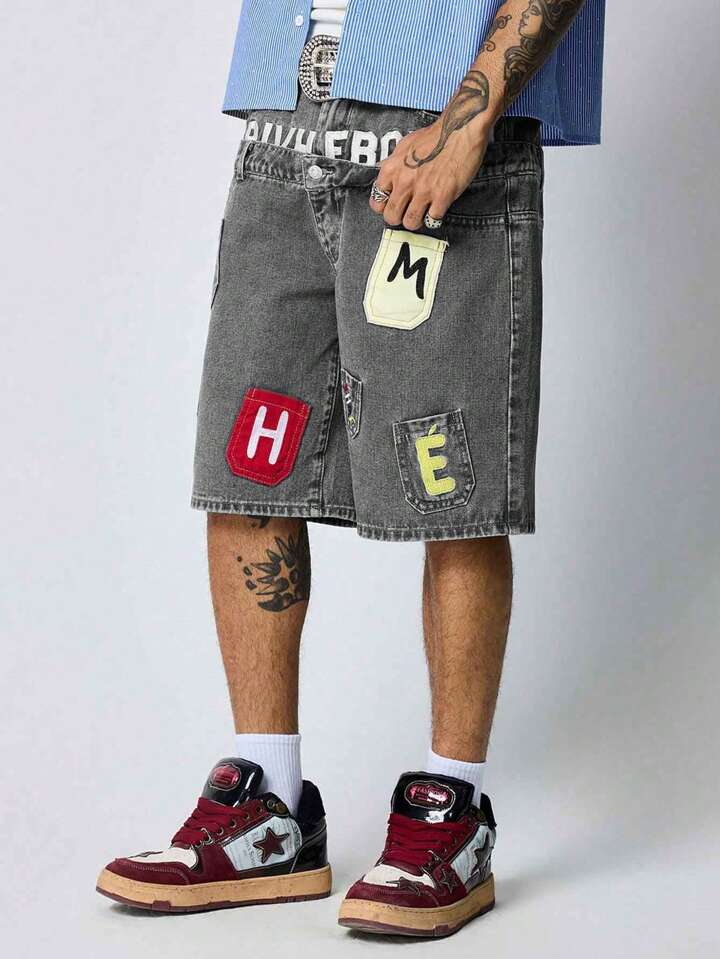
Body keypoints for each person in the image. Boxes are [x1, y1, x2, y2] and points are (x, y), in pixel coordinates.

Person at [96, 0, 605, 937]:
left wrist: (468, 121)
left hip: (436, 124)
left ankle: (452, 808)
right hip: (282, 116)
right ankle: (270, 806)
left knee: (449, 481)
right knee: (247, 466)